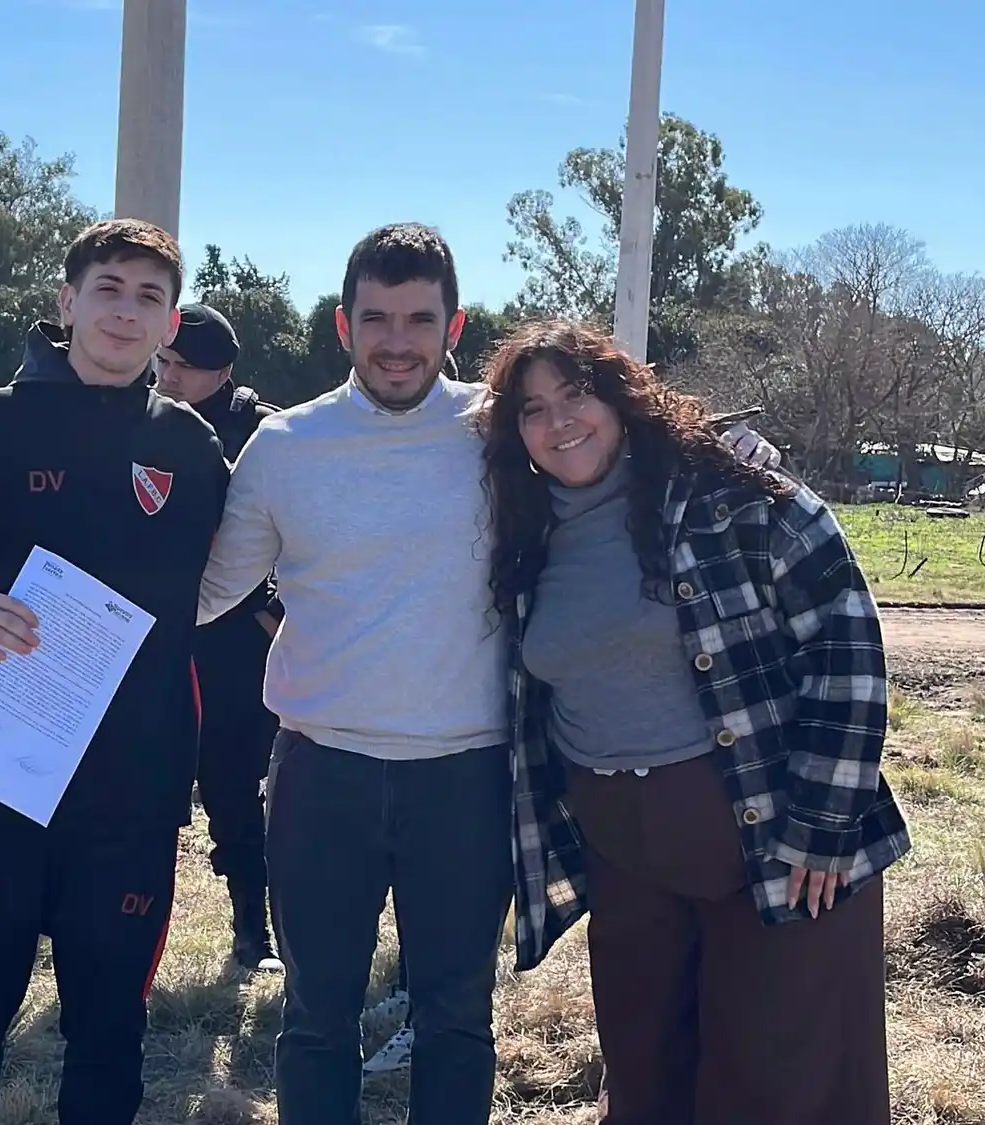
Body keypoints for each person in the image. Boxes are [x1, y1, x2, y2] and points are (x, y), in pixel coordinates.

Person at [198, 223, 781, 1125]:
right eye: (377, 318)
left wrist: (728, 456)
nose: (398, 341)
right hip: (322, 771)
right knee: (316, 1020)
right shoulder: (284, 446)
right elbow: (201, 589)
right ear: (343, 325)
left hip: (469, 778)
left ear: (454, 325)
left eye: (419, 319)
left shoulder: (501, 433)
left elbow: (620, 453)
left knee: (457, 1019)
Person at [480, 319, 909, 1125]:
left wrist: (823, 823)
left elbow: (847, 637)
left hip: (771, 832)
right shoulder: (522, 529)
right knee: (648, 1076)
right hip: (625, 851)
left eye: (578, 393)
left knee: (782, 1081)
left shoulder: (732, 492)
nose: (560, 420)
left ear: (620, 394)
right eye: (533, 408)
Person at [0, 218, 232, 1125]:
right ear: (67, 301)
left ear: (171, 325)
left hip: (126, 796)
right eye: (109, 288)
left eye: (150, 297)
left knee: (110, 1032)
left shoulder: (194, 450)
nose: (127, 312)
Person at [152, 301, 284, 973]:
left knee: (240, 789)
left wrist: (271, 610)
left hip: (240, 647)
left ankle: (253, 932)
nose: (167, 375)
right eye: (163, 361)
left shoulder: (265, 433)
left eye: (182, 366)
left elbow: (303, 533)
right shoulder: (144, 423)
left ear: (223, 371)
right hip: (163, 638)